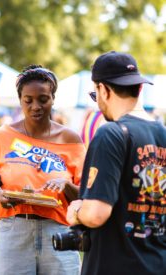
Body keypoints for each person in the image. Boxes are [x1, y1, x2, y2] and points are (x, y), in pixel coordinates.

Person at [0, 65, 86, 275]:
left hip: (58, 231)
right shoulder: (0, 137)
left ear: (53, 98)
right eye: (28, 100)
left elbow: (88, 197)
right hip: (13, 233)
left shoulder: (71, 140)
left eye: (43, 99)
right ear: (20, 100)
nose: (36, 106)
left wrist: (67, 185)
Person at [67, 51, 166, 275]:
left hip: (114, 265)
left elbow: (96, 214)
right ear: (140, 88)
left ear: (103, 89)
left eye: (95, 94)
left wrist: (76, 212)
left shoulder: (110, 134)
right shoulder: (163, 134)